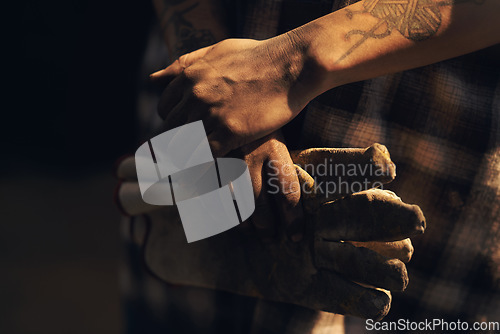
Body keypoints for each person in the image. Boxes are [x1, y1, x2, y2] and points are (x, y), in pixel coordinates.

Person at [117, 0, 500, 332]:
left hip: (441, 155)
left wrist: (288, 63)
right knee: (177, 310)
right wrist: (215, 85)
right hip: (200, 110)